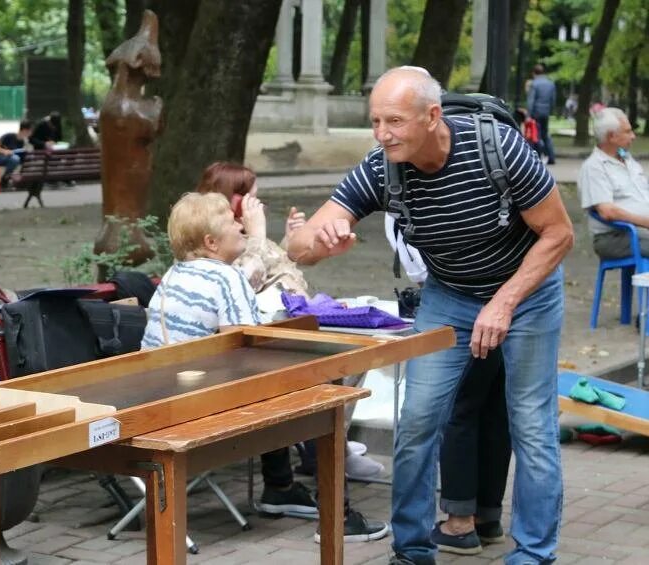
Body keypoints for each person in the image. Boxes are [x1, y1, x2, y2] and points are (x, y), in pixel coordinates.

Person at [287, 66, 573, 565]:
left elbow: (559, 234)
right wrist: (316, 243)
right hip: (450, 294)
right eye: (375, 121)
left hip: (528, 293)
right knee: (417, 419)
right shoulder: (382, 166)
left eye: (394, 121)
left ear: (432, 115)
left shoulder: (500, 149)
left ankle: (534, 554)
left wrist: (503, 303)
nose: (381, 134)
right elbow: (303, 244)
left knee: (531, 422)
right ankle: (413, 550)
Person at [142, 191, 390, 544]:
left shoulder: (173, 276)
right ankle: (338, 515)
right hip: (199, 407)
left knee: (289, 387)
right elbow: (249, 348)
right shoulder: (226, 279)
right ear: (211, 242)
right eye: (232, 221)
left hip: (163, 396)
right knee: (323, 394)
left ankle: (280, 487)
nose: (241, 224)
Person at [196, 162, 386, 483]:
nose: (260, 207)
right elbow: (243, 284)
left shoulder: (239, 238)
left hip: (273, 338)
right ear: (232, 202)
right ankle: (327, 451)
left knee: (352, 355)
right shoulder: (214, 243)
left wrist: (287, 244)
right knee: (340, 362)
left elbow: (270, 275)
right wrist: (257, 235)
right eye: (253, 200)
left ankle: (329, 445)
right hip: (247, 355)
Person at [385, 215, 512, 556]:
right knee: (492, 406)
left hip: (457, 299)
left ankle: (459, 522)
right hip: (508, 295)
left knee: (460, 408)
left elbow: (421, 265)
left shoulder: (401, 189)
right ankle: (487, 516)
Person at [578, 107, 649, 260]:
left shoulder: (628, 161)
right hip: (615, 237)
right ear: (611, 136)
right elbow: (607, 212)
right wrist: (646, 222)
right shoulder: (594, 167)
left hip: (641, 233)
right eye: (628, 131)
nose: (633, 136)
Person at [527, 64, 556, 164]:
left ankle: (538, 156)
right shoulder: (550, 83)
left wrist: (528, 115)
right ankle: (551, 156)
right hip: (546, 112)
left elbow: (531, 101)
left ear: (534, 73)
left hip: (536, 113)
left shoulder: (534, 84)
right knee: (545, 134)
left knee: (537, 135)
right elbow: (553, 100)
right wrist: (549, 110)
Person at [0, 120, 32, 188]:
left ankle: (20, 181)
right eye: (30, 131)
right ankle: (5, 179)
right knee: (15, 159)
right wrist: (4, 151)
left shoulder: (22, 141)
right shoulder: (9, 136)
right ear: (25, 130)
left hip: (10, 158)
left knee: (26, 158)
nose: (31, 133)